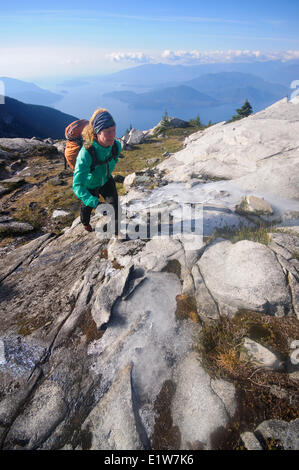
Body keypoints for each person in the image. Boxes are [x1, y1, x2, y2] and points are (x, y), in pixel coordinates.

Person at [72, 108, 121, 235]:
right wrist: (96, 204)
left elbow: (114, 160)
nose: (112, 135)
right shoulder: (86, 153)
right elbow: (77, 186)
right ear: (97, 132)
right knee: (87, 208)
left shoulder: (116, 146)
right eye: (107, 132)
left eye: (114, 130)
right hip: (89, 185)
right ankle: (85, 223)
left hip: (106, 180)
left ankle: (116, 233)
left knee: (115, 209)